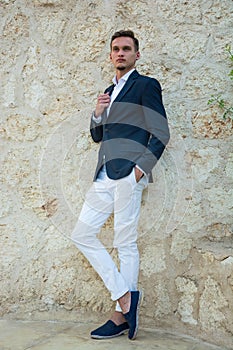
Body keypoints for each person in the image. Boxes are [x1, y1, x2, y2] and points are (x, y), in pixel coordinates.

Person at [71, 30, 170, 340]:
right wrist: (97, 114)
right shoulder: (108, 90)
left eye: (127, 49)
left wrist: (140, 170)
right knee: (82, 234)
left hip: (129, 174)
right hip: (103, 174)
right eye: (116, 49)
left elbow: (161, 132)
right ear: (110, 55)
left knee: (125, 244)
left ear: (136, 55)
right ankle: (126, 298)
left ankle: (120, 316)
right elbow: (98, 136)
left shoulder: (146, 85)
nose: (121, 53)